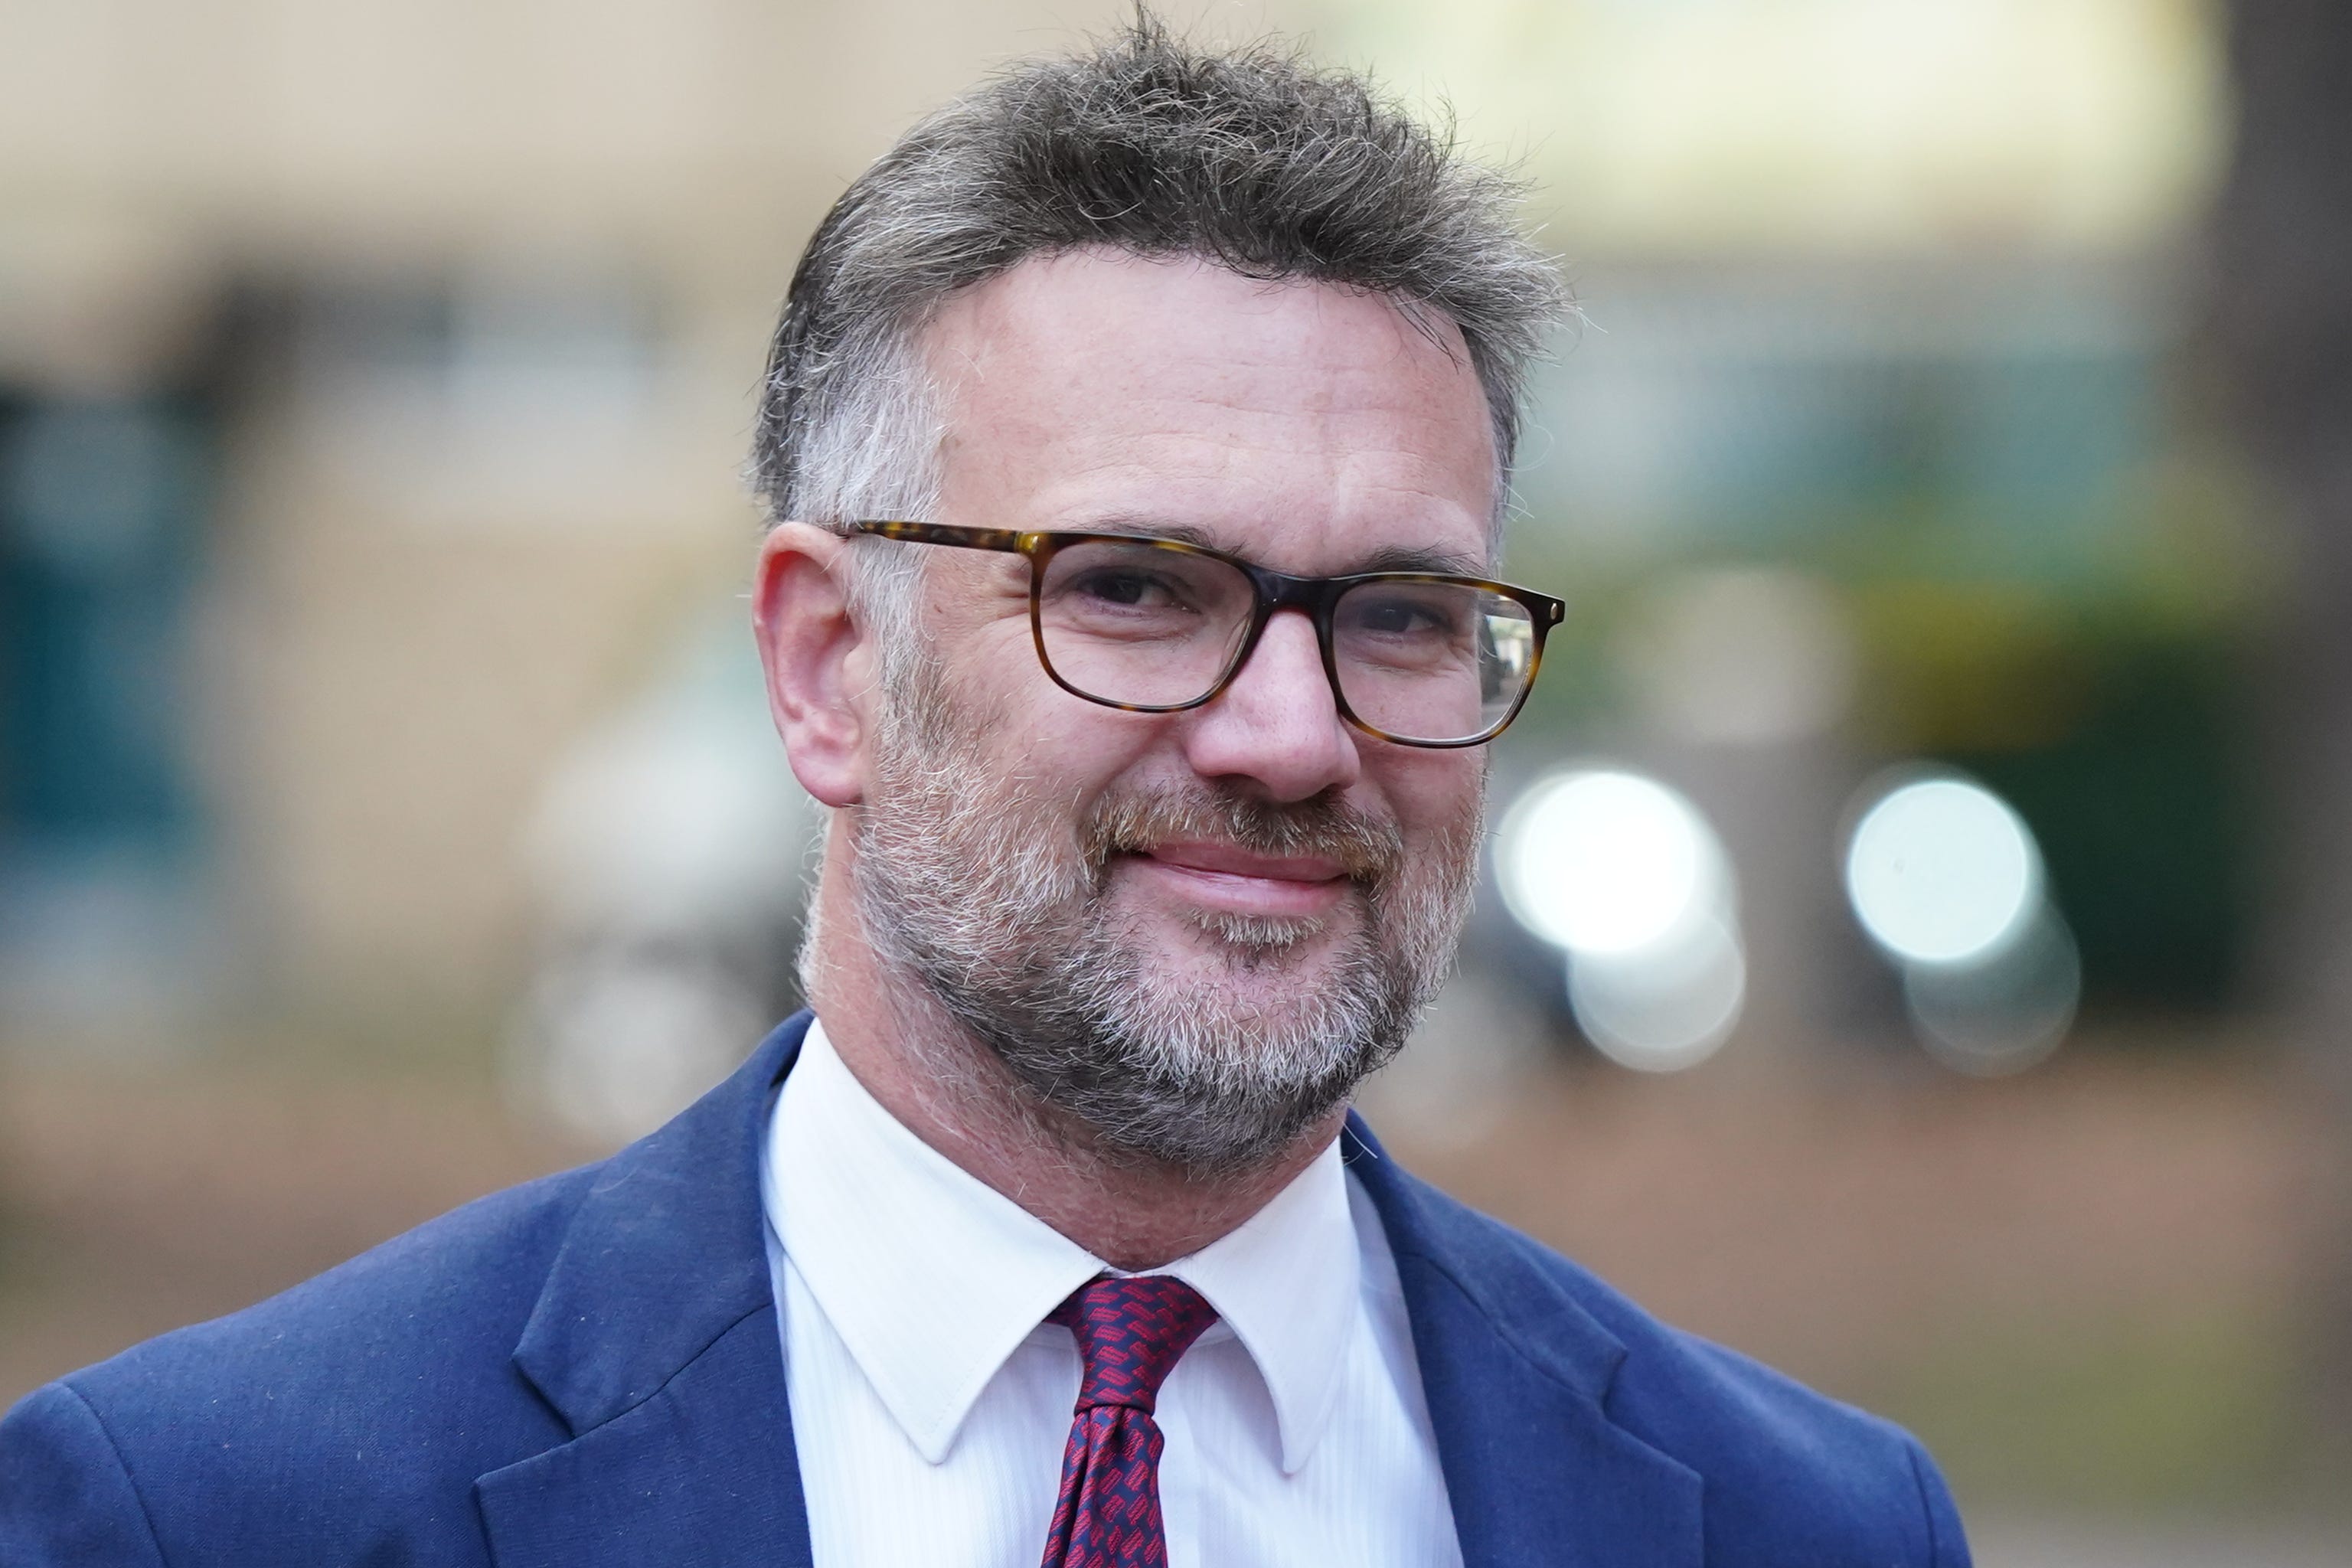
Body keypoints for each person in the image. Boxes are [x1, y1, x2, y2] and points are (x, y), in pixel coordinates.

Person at [0, 18, 1971, 1567]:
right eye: (1132, 588)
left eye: (1395, 611)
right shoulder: (222, 1511)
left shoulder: (1801, 1525)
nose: (1290, 738)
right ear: (826, 666)